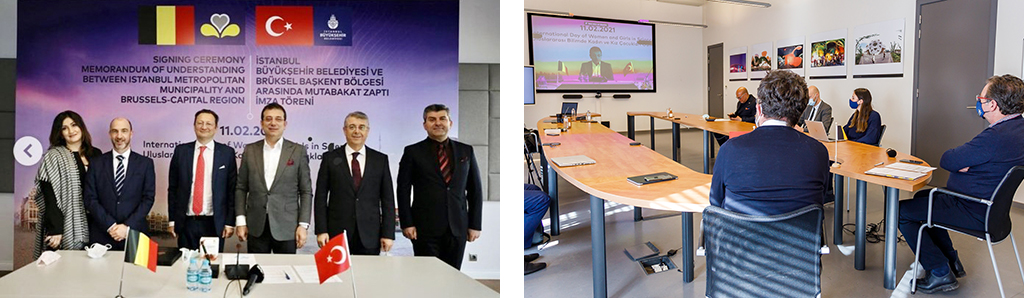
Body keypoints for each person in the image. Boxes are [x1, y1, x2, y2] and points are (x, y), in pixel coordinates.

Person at [898, 75, 1024, 294]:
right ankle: (951, 261)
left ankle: (939, 271)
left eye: (981, 98)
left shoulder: (994, 137)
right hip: (995, 213)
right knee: (923, 199)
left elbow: (948, 159)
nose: (979, 102)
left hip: (971, 208)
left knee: (900, 211)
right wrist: (969, 167)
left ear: (992, 104)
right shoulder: (1018, 129)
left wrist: (965, 166)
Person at [709, 70, 831, 216]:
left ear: (759, 109)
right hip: (799, 237)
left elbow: (716, 201)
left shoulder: (729, 149)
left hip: (742, 237)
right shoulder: (819, 152)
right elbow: (819, 199)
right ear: (801, 110)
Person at [398, 104, 483, 269]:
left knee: (453, 274)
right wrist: (407, 223)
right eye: (432, 119)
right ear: (425, 125)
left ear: (450, 123)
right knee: (427, 276)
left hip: (458, 227)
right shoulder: (412, 152)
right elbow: (403, 190)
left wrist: (475, 224)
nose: (437, 123)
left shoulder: (466, 151)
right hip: (424, 228)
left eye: (442, 118)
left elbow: (475, 190)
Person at [235, 103, 313, 254]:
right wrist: (241, 221)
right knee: (257, 273)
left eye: (278, 119)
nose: (273, 123)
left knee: (285, 273)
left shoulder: (297, 151)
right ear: (262, 123)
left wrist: (303, 225)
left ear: (285, 124)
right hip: (256, 226)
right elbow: (241, 188)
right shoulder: (250, 150)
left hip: (287, 227)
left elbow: (306, 191)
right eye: (268, 119)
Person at [314, 111, 396, 255]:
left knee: (368, 275)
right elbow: (320, 197)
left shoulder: (380, 160)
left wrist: (388, 233)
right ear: (344, 130)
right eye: (352, 127)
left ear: (367, 131)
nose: (357, 131)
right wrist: (321, 230)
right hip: (337, 233)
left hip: (370, 234)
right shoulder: (330, 158)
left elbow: (388, 199)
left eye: (361, 127)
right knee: (339, 277)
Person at [32, 111, 101, 259]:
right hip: (65, 223)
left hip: (95, 223)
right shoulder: (53, 156)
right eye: (64, 128)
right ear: (60, 133)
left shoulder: (96, 154)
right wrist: (56, 229)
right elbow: (48, 195)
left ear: (81, 127)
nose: (71, 131)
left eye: (74, 125)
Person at [167, 109, 237, 251]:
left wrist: (230, 222)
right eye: (200, 123)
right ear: (194, 126)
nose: (204, 127)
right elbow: (173, 188)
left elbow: (232, 190)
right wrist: (172, 220)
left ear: (216, 128)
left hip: (214, 223)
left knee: (211, 267)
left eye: (208, 123)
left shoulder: (226, 153)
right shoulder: (181, 151)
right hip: (187, 222)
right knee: (185, 267)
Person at [83, 117, 155, 250]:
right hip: (102, 235)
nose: (119, 136)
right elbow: (90, 199)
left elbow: (148, 199)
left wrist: (126, 227)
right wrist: (111, 226)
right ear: (110, 134)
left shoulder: (145, 164)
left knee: (137, 272)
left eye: (124, 131)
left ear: (131, 134)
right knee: (100, 271)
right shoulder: (96, 163)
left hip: (136, 233)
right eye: (115, 131)